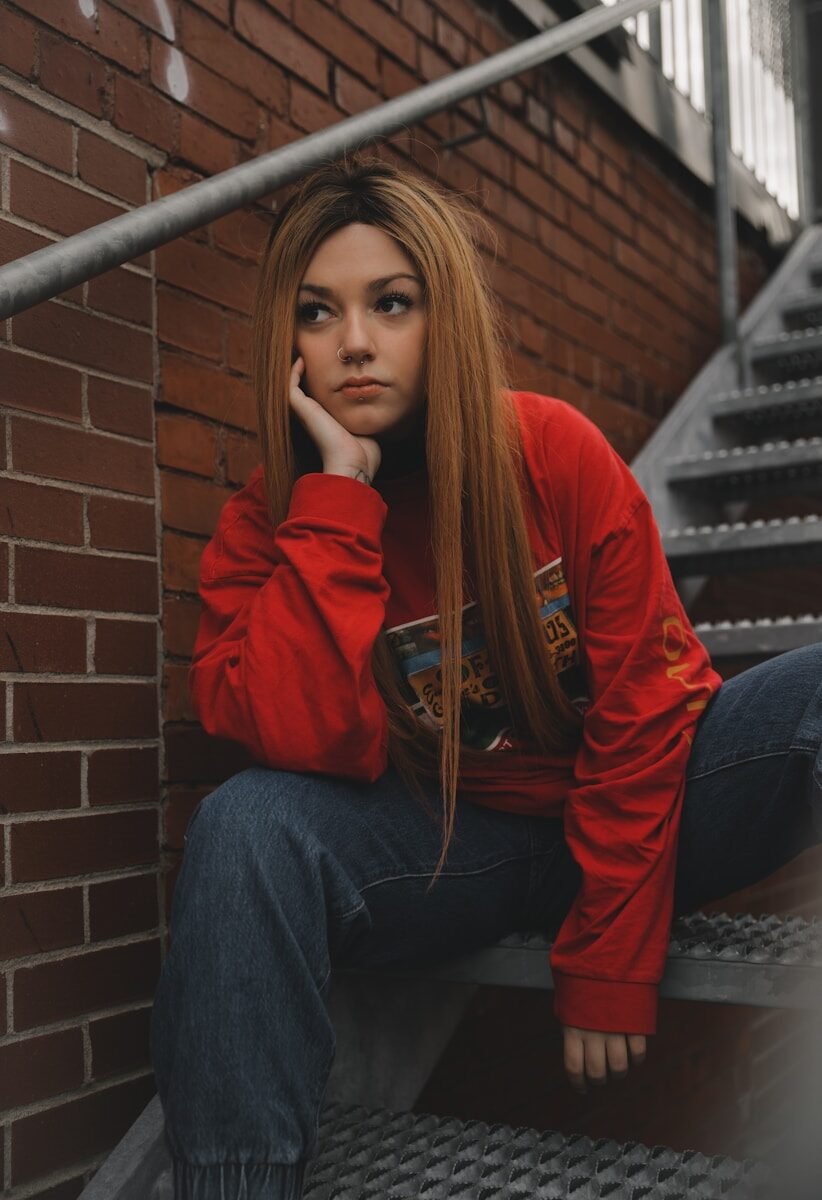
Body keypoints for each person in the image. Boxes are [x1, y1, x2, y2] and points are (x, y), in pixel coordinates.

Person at [150, 152, 822, 1200]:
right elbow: (304, 742)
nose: (357, 343)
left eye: (393, 303)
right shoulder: (268, 519)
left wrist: (607, 959)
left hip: (662, 802)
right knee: (245, 825)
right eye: (319, 314)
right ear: (287, 343)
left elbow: (646, 716)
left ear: (444, 316)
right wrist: (336, 501)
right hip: (465, 840)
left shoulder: (550, 450)